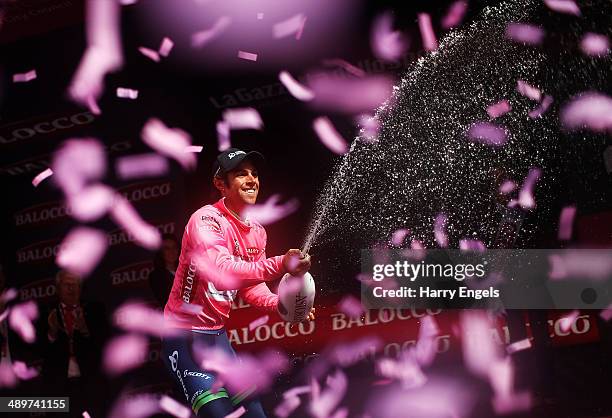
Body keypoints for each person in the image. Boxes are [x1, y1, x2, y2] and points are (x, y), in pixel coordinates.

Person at [162, 148, 314, 418]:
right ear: (221, 184)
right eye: (241, 174)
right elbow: (222, 272)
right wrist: (280, 264)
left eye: (255, 174)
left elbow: (251, 286)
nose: (252, 179)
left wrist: (281, 306)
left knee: (255, 413)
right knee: (220, 414)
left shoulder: (257, 232)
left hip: (218, 338)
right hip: (184, 338)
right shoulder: (205, 220)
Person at [42, 270, 108, 417]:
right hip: (59, 388)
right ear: (58, 288)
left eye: (75, 284)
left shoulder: (95, 310)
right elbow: (38, 349)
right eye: (67, 284)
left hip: (90, 385)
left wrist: (85, 330)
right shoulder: (46, 312)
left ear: (81, 287)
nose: (71, 288)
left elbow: (105, 344)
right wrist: (52, 332)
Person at [149, 233, 180, 308]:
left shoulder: (187, 271)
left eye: (174, 247)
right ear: (161, 252)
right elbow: (169, 302)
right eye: (167, 248)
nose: (172, 252)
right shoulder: (156, 277)